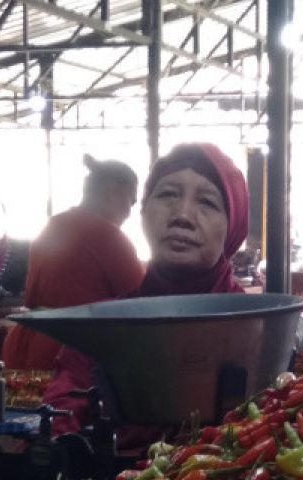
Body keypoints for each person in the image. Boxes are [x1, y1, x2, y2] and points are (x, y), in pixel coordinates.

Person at [42, 143, 249, 436]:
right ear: (142, 213)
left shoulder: (258, 327)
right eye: (167, 195)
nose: (182, 215)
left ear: (233, 228)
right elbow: (61, 414)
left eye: (208, 202)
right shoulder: (102, 329)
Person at [1, 155, 143, 370]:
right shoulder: (108, 236)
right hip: (72, 354)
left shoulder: (52, 226)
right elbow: (143, 303)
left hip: (25, 346)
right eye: (130, 201)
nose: (129, 212)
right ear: (111, 193)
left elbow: (31, 297)